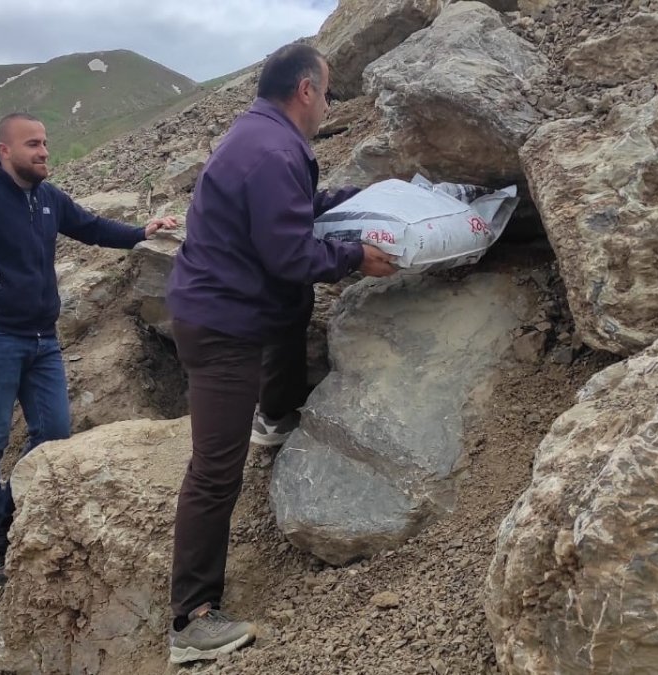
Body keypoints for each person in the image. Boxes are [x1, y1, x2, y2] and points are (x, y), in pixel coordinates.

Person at [163, 44, 397, 663]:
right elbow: (291, 256)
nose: (328, 105)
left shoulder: (262, 135)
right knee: (215, 469)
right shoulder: (271, 149)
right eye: (326, 93)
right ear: (303, 91)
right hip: (220, 326)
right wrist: (357, 259)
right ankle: (191, 619)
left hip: (235, 308)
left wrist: (354, 200)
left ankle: (275, 413)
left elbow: (289, 213)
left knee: (291, 314)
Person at [0, 112, 177, 585]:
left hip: (43, 340)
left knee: (53, 433)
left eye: (45, 142)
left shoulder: (47, 198)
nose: (44, 151)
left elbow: (90, 227)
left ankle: (9, 508)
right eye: (32, 144)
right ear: (5, 150)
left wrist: (141, 232)